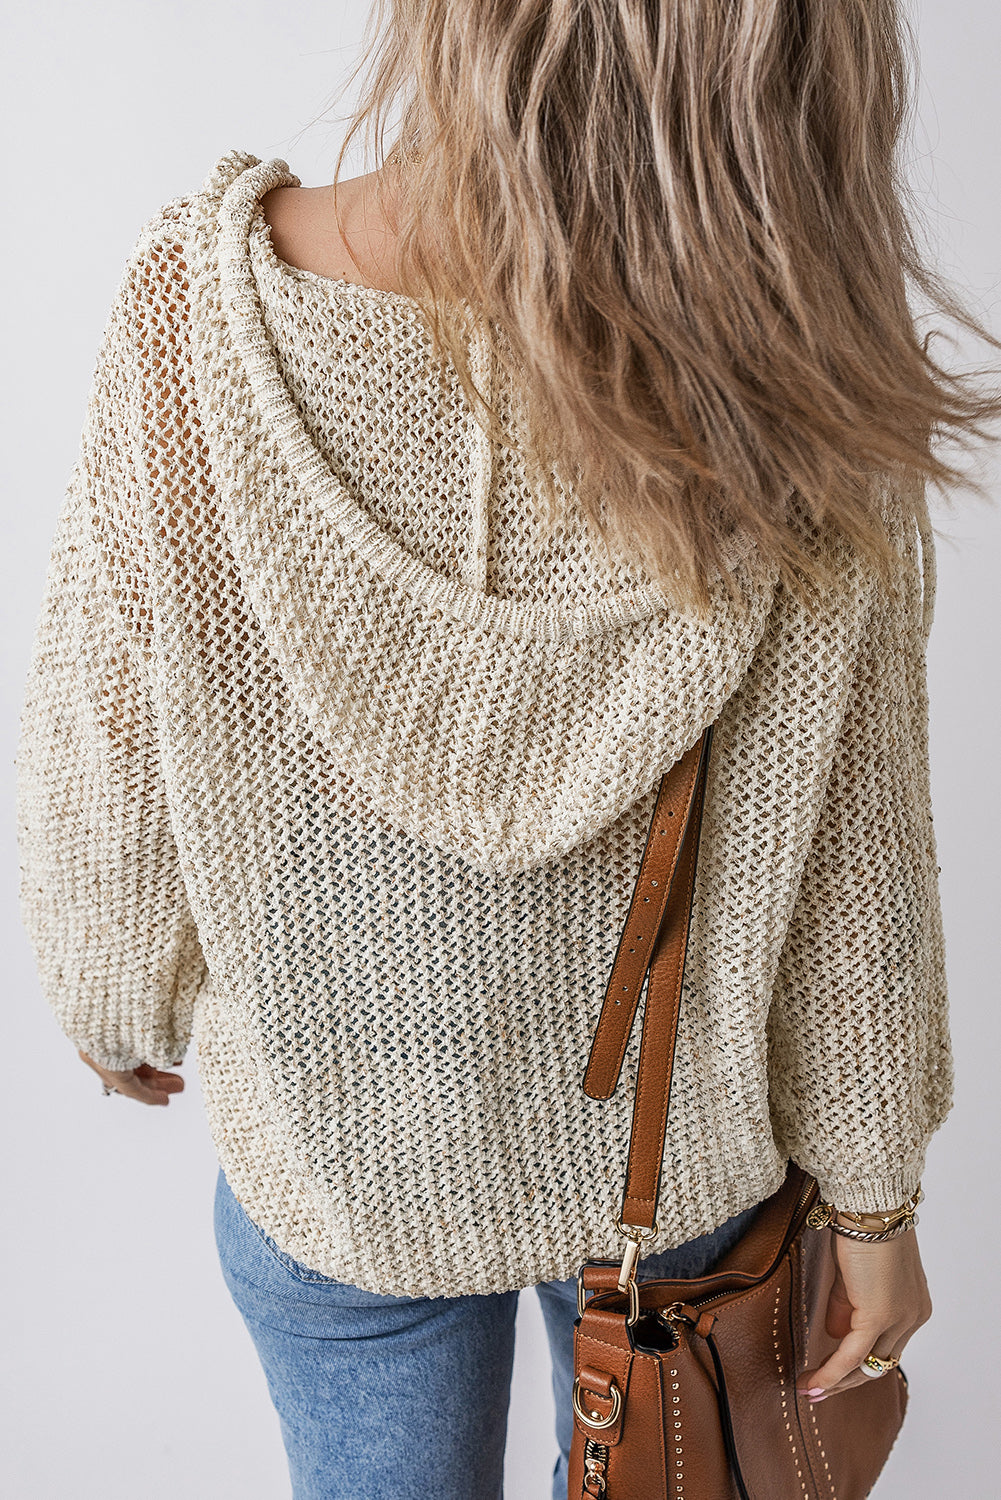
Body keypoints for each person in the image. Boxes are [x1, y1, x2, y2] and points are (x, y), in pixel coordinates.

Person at [15, 3, 1000, 1497]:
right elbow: (852, 852)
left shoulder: (203, 306)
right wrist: (871, 1199)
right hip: (666, 1167)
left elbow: (109, 703)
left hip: (335, 1151)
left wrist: (112, 982)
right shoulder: (798, 380)